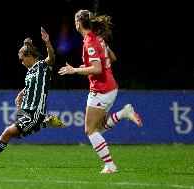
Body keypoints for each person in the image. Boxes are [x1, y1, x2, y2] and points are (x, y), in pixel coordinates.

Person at [58, 10, 142, 173]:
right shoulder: (99, 38)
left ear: (79, 23)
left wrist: (74, 70)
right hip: (110, 88)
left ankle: (110, 166)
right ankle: (123, 113)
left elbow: (97, 68)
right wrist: (86, 67)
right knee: (99, 129)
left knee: (90, 131)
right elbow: (112, 58)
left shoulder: (89, 41)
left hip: (101, 90)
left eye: (75, 21)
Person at [0, 27, 65, 168]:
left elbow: (51, 58)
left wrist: (47, 43)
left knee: (7, 133)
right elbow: (30, 86)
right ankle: (47, 122)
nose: (22, 63)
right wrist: (21, 93)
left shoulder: (42, 66)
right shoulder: (29, 72)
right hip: (25, 109)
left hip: (35, 111)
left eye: (22, 60)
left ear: (30, 56)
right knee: (17, 135)